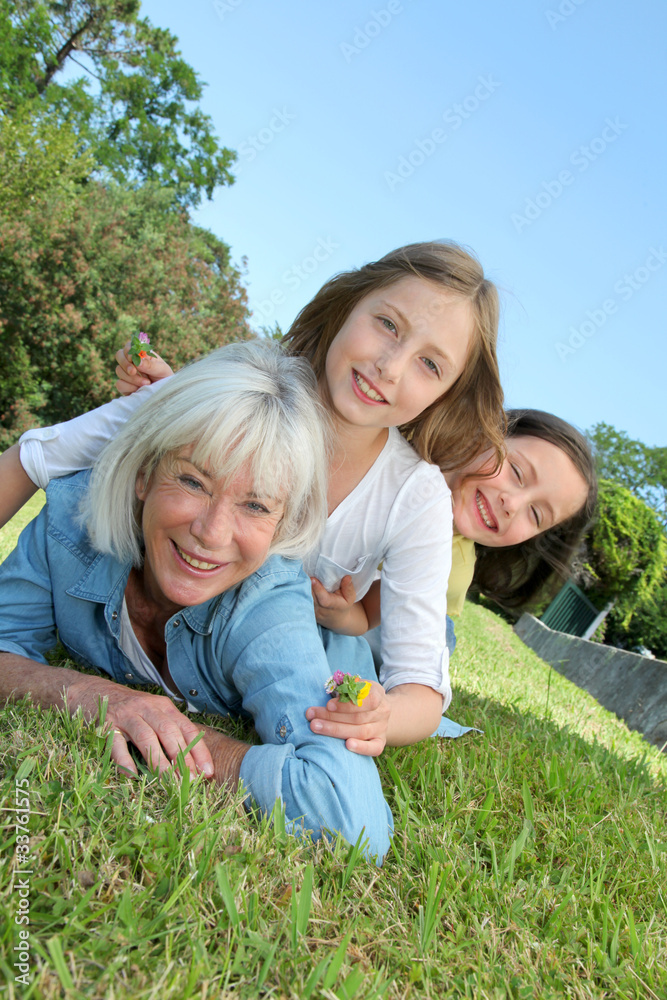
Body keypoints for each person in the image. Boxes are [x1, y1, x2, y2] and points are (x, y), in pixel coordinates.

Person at [0, 241, 507, 757]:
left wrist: (385, 715)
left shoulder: (417, 496)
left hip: (284, 672)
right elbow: (36, 457)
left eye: (430, 364)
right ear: (348, 304)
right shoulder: (231, 391)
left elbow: (422, 685)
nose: (390, 366)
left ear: (448, 393)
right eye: (388, 324)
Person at [0, 341, 393, 861]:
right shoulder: (68, 523)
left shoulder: (269, 598)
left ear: (281, 524)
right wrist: (93, 697)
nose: (212, 532)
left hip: (341, 650)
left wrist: (180, 739)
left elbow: (350, 820)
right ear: (144, 473)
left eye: (255, 505)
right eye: (192, 480)